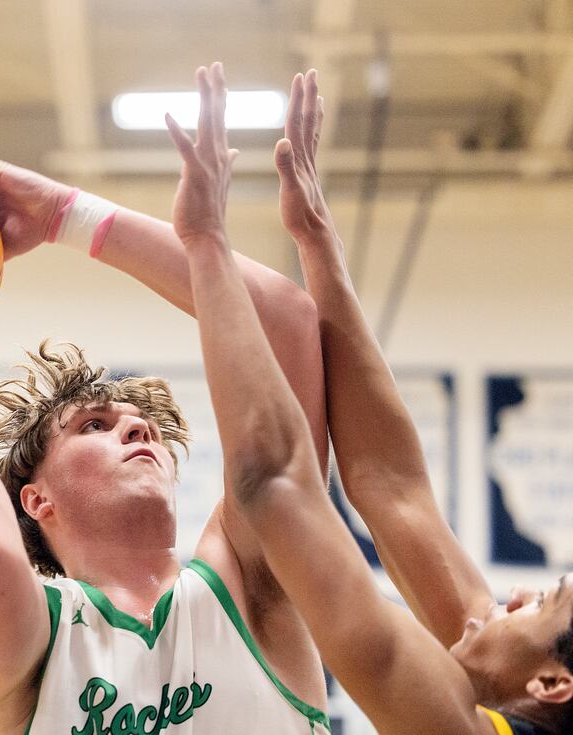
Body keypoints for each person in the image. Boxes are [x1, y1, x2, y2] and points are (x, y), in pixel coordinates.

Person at [0, 63, 331, 735]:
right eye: (96, 425)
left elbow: (285, 323)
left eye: (142, 425)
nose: (137, 428)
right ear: (36, 498)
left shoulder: (251, 586)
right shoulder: (37, 636)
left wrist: (69, 217)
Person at [229, 70, 573, 734]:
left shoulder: (456, 724)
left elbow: (279, 491)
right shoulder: (499, 701)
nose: (516, 594)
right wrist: (317, 240)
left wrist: (181, 241)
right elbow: (391, 485)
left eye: (542, 606)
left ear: (552, 682)